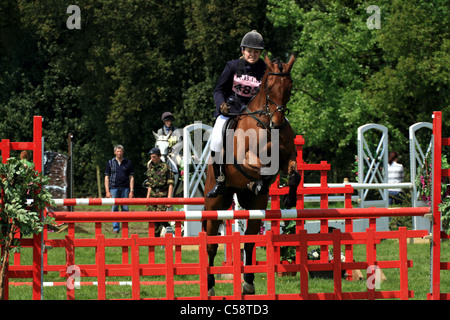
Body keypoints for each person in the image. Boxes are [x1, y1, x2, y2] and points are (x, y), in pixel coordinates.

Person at [207, 30, 267, 198]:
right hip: (231, 110)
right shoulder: (232, 66)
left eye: (256, 52)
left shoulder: (264, 68)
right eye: (249, 51)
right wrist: (221, 105)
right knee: (217, 139)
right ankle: (219, 179)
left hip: (256, 115)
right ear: (243, 50)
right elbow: (218, 90)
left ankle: (268, 176)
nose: (253, 55)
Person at [105, 145, 135, 233]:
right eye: (117, 151)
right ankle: (116, 228)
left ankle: (125, 228)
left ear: (123, 152)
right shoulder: (110, 163)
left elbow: (131, 177)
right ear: (114, 152)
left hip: (125, 189)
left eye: (120, 151)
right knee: (114, 208)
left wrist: (131, 190)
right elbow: (106, 177)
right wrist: (107, 191)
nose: (119, 153)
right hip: (113, 188)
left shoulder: (128, 163)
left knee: (125, 208)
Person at [145, 147, 175, 236]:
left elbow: (170, 183)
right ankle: (154, 237)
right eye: (151, 157)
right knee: (151, 217)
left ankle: (169, 230)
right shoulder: (150, 167)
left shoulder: (166, 167)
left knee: (159, 216)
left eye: (154, 157)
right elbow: (149, 184)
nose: (152, 159)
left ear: (159, 156)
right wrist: (147, 198)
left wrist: (169, 198)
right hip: (152, 195)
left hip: (162, 194)